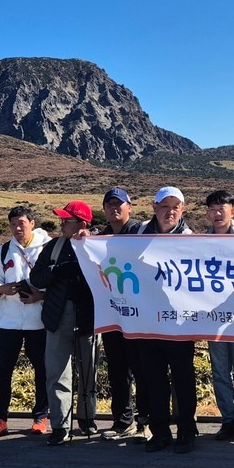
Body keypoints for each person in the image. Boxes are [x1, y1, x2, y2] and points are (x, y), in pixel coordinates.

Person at [33, 201, 99, 445]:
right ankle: (60, 424)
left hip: (89, 314)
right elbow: (36, 277)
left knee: (88, 370)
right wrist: (58, 271)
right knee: (56, 370)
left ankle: (86, 418)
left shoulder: (98, 244)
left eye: (66, 221)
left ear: (82, 224)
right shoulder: (53, 246)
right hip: (58, 314)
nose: (61, 225)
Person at [137, 187, 198, 453]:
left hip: (179, 322)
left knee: (183, 378)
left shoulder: (190, 238)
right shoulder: (137, 233)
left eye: (175, 206)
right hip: (147, 320)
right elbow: (107, 247)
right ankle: (159, 431)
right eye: (164, 205)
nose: (169, 211)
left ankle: (187, 430)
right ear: (154, 207)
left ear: (182, 210)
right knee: (154, 379)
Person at [0, 206, 52, 439]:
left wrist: (38, 295)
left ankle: (41, 417)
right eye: (13, 224)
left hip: (38, 321)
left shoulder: (46, 248)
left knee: (42, 370)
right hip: (9, 321)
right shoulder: (3, 251)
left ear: (32, 223)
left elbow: (55, 284)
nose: (17, 227)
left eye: (22, 222)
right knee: (2, 372)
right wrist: (1, 289)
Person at [96, 188, 146, 440]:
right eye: (110, 204)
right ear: (104, 209)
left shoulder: (141, 232)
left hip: (139, 315)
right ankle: (123, 421)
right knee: (117, 369)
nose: (115, 208)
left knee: (142, 368)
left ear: (130, 206)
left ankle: (146, 421)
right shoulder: (100, 237)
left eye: (120, 204)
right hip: (112, 315)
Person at [204, 190, 234, 442]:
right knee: (220, 371)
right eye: (212, 208)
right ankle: (228, 419)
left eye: (221, 208)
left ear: (232, 210)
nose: (217, 213)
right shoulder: (200, 242)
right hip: (214, 318)